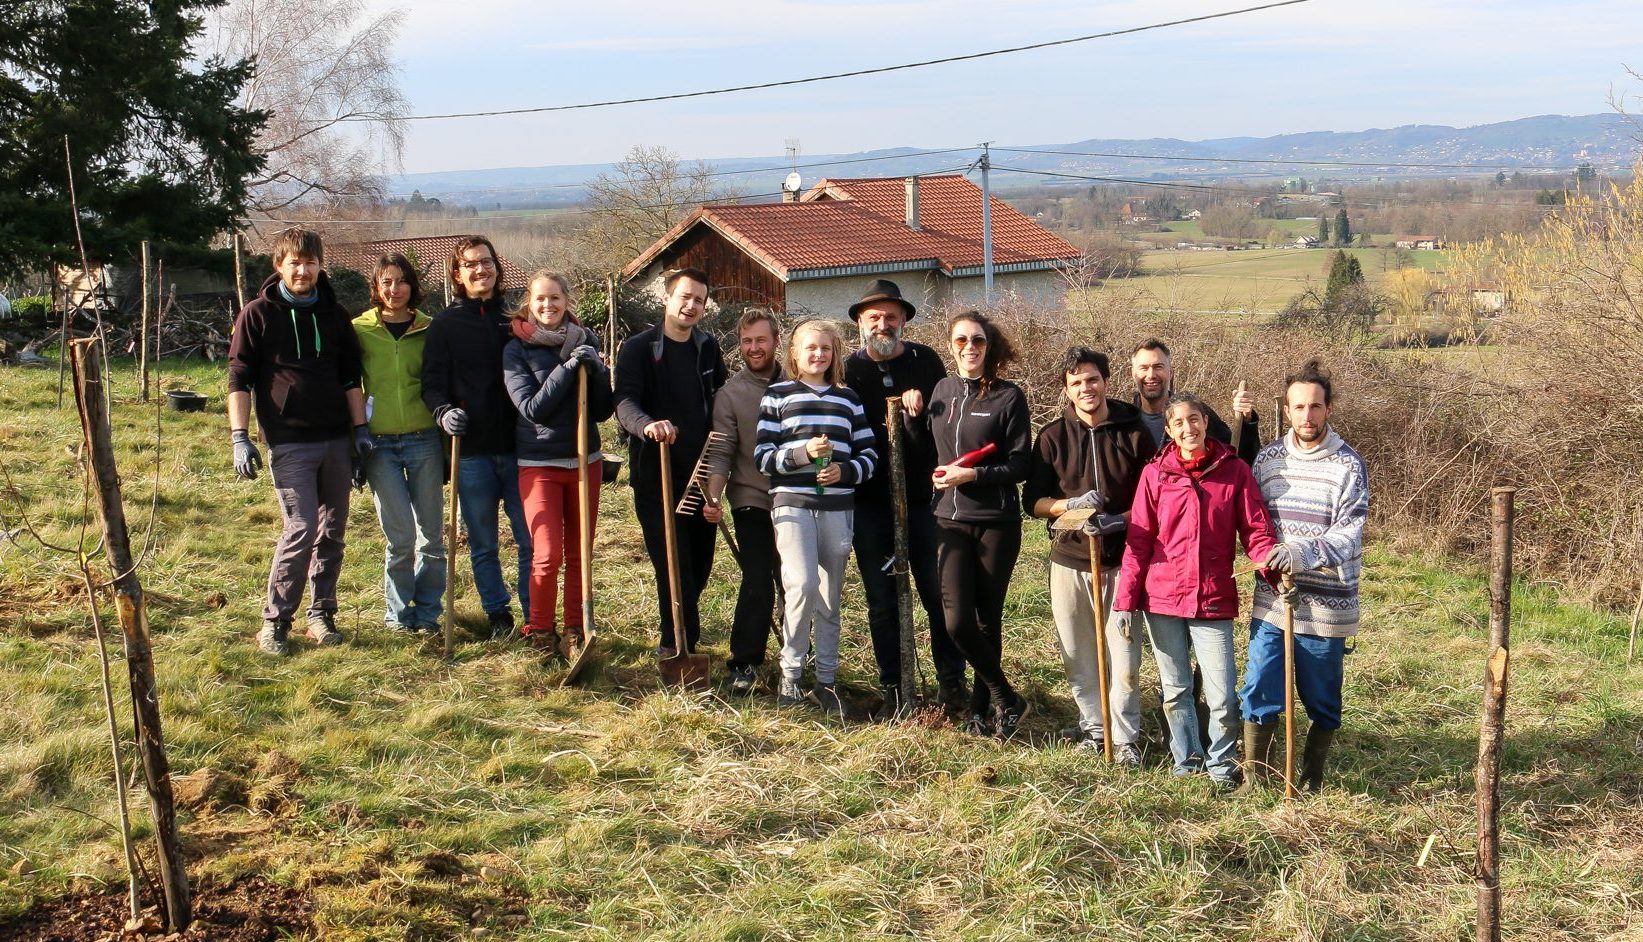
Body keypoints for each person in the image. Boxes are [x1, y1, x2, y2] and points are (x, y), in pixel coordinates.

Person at [1113, 393, 1279, 787]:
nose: (1189, 428)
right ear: (1169, 431)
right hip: (1163, 598)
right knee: (1176, 690)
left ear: (1206, 422)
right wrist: (1125, 602)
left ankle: (1222, 766)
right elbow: (1138, 542)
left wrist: (1271, 566)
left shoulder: (1234, 471)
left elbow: (1255, 530)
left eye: (1195, 419)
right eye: (1179, 423)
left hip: (1212, 597)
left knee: (1222, 696)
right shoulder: (1155, 475)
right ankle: (1187, 761)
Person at [227, 226, 369, 655]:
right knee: (302, 527)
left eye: (310, 263)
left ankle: (321, 615)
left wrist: (360, 430)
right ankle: (275, 621)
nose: (303, 270)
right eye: (295, 263)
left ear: (320, 265)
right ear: (280, 266)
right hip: (289, 440)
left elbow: (350, 378)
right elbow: (239, 377)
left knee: (333, 530)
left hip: (336, 439)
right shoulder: (257, 314)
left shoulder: (336, 315)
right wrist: (239, 436)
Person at [1237, 360, 1368, 793]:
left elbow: (1349, 536)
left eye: (1315, 407)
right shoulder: (1269, 460)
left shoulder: (1349, 466)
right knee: (1259, 684)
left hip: (1327, 603)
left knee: (1321, 697)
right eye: (1298, 407)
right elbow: (1254, 522)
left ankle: (1311, 776)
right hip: (1274, 599)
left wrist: (1300, 553)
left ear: (1329, 408)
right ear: (1287, 408)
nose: (1306, 416)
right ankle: (1257, 779)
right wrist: (1268, 561)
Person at [841, 279, 969, 717]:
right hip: (870, 502)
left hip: (924, 500)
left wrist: (922, 411)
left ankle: (952, 685)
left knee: (939, 594)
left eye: (891, 317)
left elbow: (946, 429)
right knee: (882, 599)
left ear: (903, 322)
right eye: (874, 317)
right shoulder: (848, 371)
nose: (883, 323)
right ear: (860, 322)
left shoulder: (925, 362)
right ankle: (895, 688)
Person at [1023, 347, 1157, 762]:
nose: (1086, 388)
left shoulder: (1134, 433)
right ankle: (1095, 730)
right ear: (1066, 389)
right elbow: (1033, 502)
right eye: (1077, 382)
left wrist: (1119, 519)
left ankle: (1125, 737)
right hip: (1070, 560)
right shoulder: (1051, 437)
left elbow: (1155, 499)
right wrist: (1069, 507)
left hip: (1122, 560)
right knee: (1078, 652)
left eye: (1093, 379)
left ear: (1106, 382)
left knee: (1124, 653)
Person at [755, 319, 876, 717]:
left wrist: (846, 472)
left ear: (834, 353)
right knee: (802, 583)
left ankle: (827, 679)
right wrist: (802, 455)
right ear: (794, 353)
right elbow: (762, 457)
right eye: (810, 348)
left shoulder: (849, 399)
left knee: (829, 595)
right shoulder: (778, 396)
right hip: (792, 505)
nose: (818, 355)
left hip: (838, 507)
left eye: (825, 348)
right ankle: (791, 672)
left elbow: (869, 455)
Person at [926, 312, 1033, 738]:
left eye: (978, 341)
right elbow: (924, 445)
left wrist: (972, 476)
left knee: (988, 621)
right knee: (956, 622)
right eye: (960, 340)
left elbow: (1021, 463)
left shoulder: (1009, 397)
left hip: (995, 522)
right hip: (947, 520)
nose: (969, 347)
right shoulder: (942, 390)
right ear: (951, 346)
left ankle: (979, 711)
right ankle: (1008, 697)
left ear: (991, 347)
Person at [421, 235, 533, 639]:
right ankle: (497, 615)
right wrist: (443, 411)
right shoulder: (445, 325)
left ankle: (534, 617)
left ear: (497, 268)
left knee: (530, 540)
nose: (480, 270)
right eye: (470, 264)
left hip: (521, 448)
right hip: (470, 454)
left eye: (486, 262)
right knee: (483, 543)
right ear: (458, 273)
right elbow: (432, 383)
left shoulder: (516, 321)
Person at [614, 267, 727, 658]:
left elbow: (720, 407)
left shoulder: (707, 347)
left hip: (701, 476)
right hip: (656, 476)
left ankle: (682, 630)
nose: (692, 305)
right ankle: (677, 647)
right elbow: (624, 403)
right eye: (685, 296)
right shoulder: (639, 348)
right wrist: (647, 426)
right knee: (672, 566)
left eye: (699, 299)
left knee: (699, 567)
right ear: (666, 298)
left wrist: (718, 478)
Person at [502, 271, 613, 655]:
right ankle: (540, 630)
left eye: (555, 298)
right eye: (540, 300)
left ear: (567, 300)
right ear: (529, 304)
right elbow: (534, 409)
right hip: (540, 462)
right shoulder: (516, 350)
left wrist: (597, 370)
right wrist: (566, 370)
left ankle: (575, 630)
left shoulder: (587, 341)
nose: (548, 306)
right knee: (547, 554)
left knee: (580, 552)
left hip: (586, 462)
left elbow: (602, 411)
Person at [352, 252, 444, 635]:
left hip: (424, 438)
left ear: (413, 286)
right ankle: (396, 615)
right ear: (376, 287)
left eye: (402, 281)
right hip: (379, 444)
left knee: (432, 537)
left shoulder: (429, 328)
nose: (395, 289)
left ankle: (427, 614)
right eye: (387, 281)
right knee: (401, 536)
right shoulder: (359, 329)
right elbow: (347, 383)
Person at [702, 310, 784, 694]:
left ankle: (797, 658)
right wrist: (713, 495)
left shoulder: (802, 382)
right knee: (758, 579)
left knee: (798, 583)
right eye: (748, 341)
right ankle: (744, 663)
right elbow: (721, 452)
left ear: (776, 341)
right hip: (752, 498)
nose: (754, 348)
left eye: (761, 340)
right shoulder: (730, 395)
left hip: (800, 500)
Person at [1130, 338, 1259, 463]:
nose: (1151, 375)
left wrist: (1246, 421)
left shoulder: (1196, 413)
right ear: (1133, 374)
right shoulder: (1125, 422)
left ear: (1170, 372)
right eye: (1144, 368)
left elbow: (1240, 457)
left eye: (1158, 367)